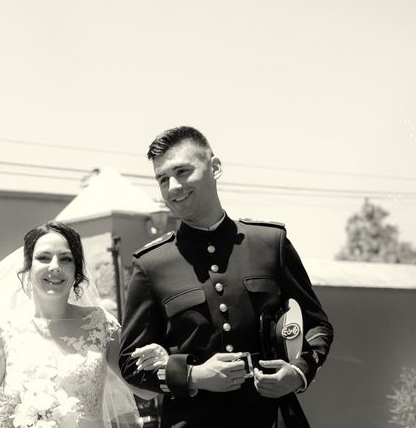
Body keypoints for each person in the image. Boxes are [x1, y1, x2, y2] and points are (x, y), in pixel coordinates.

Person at [119, 126, 334, 428]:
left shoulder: (270, 243)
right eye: (162, 179)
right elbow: (130, 363)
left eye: (182, 171)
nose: (172, 187)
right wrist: (194, 376)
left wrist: (298, 372)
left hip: (271, 418)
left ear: (215, 167)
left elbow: (317, 325)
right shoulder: (151, 264)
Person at [0, 220, 153, 428]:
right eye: (44, 258)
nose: (55, 267)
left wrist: (160, 359)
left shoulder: (100, 324)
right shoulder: (1, 329)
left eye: (66, 259)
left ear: (77, 271)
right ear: (28, 267)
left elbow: (145, 391)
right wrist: (19, 416)